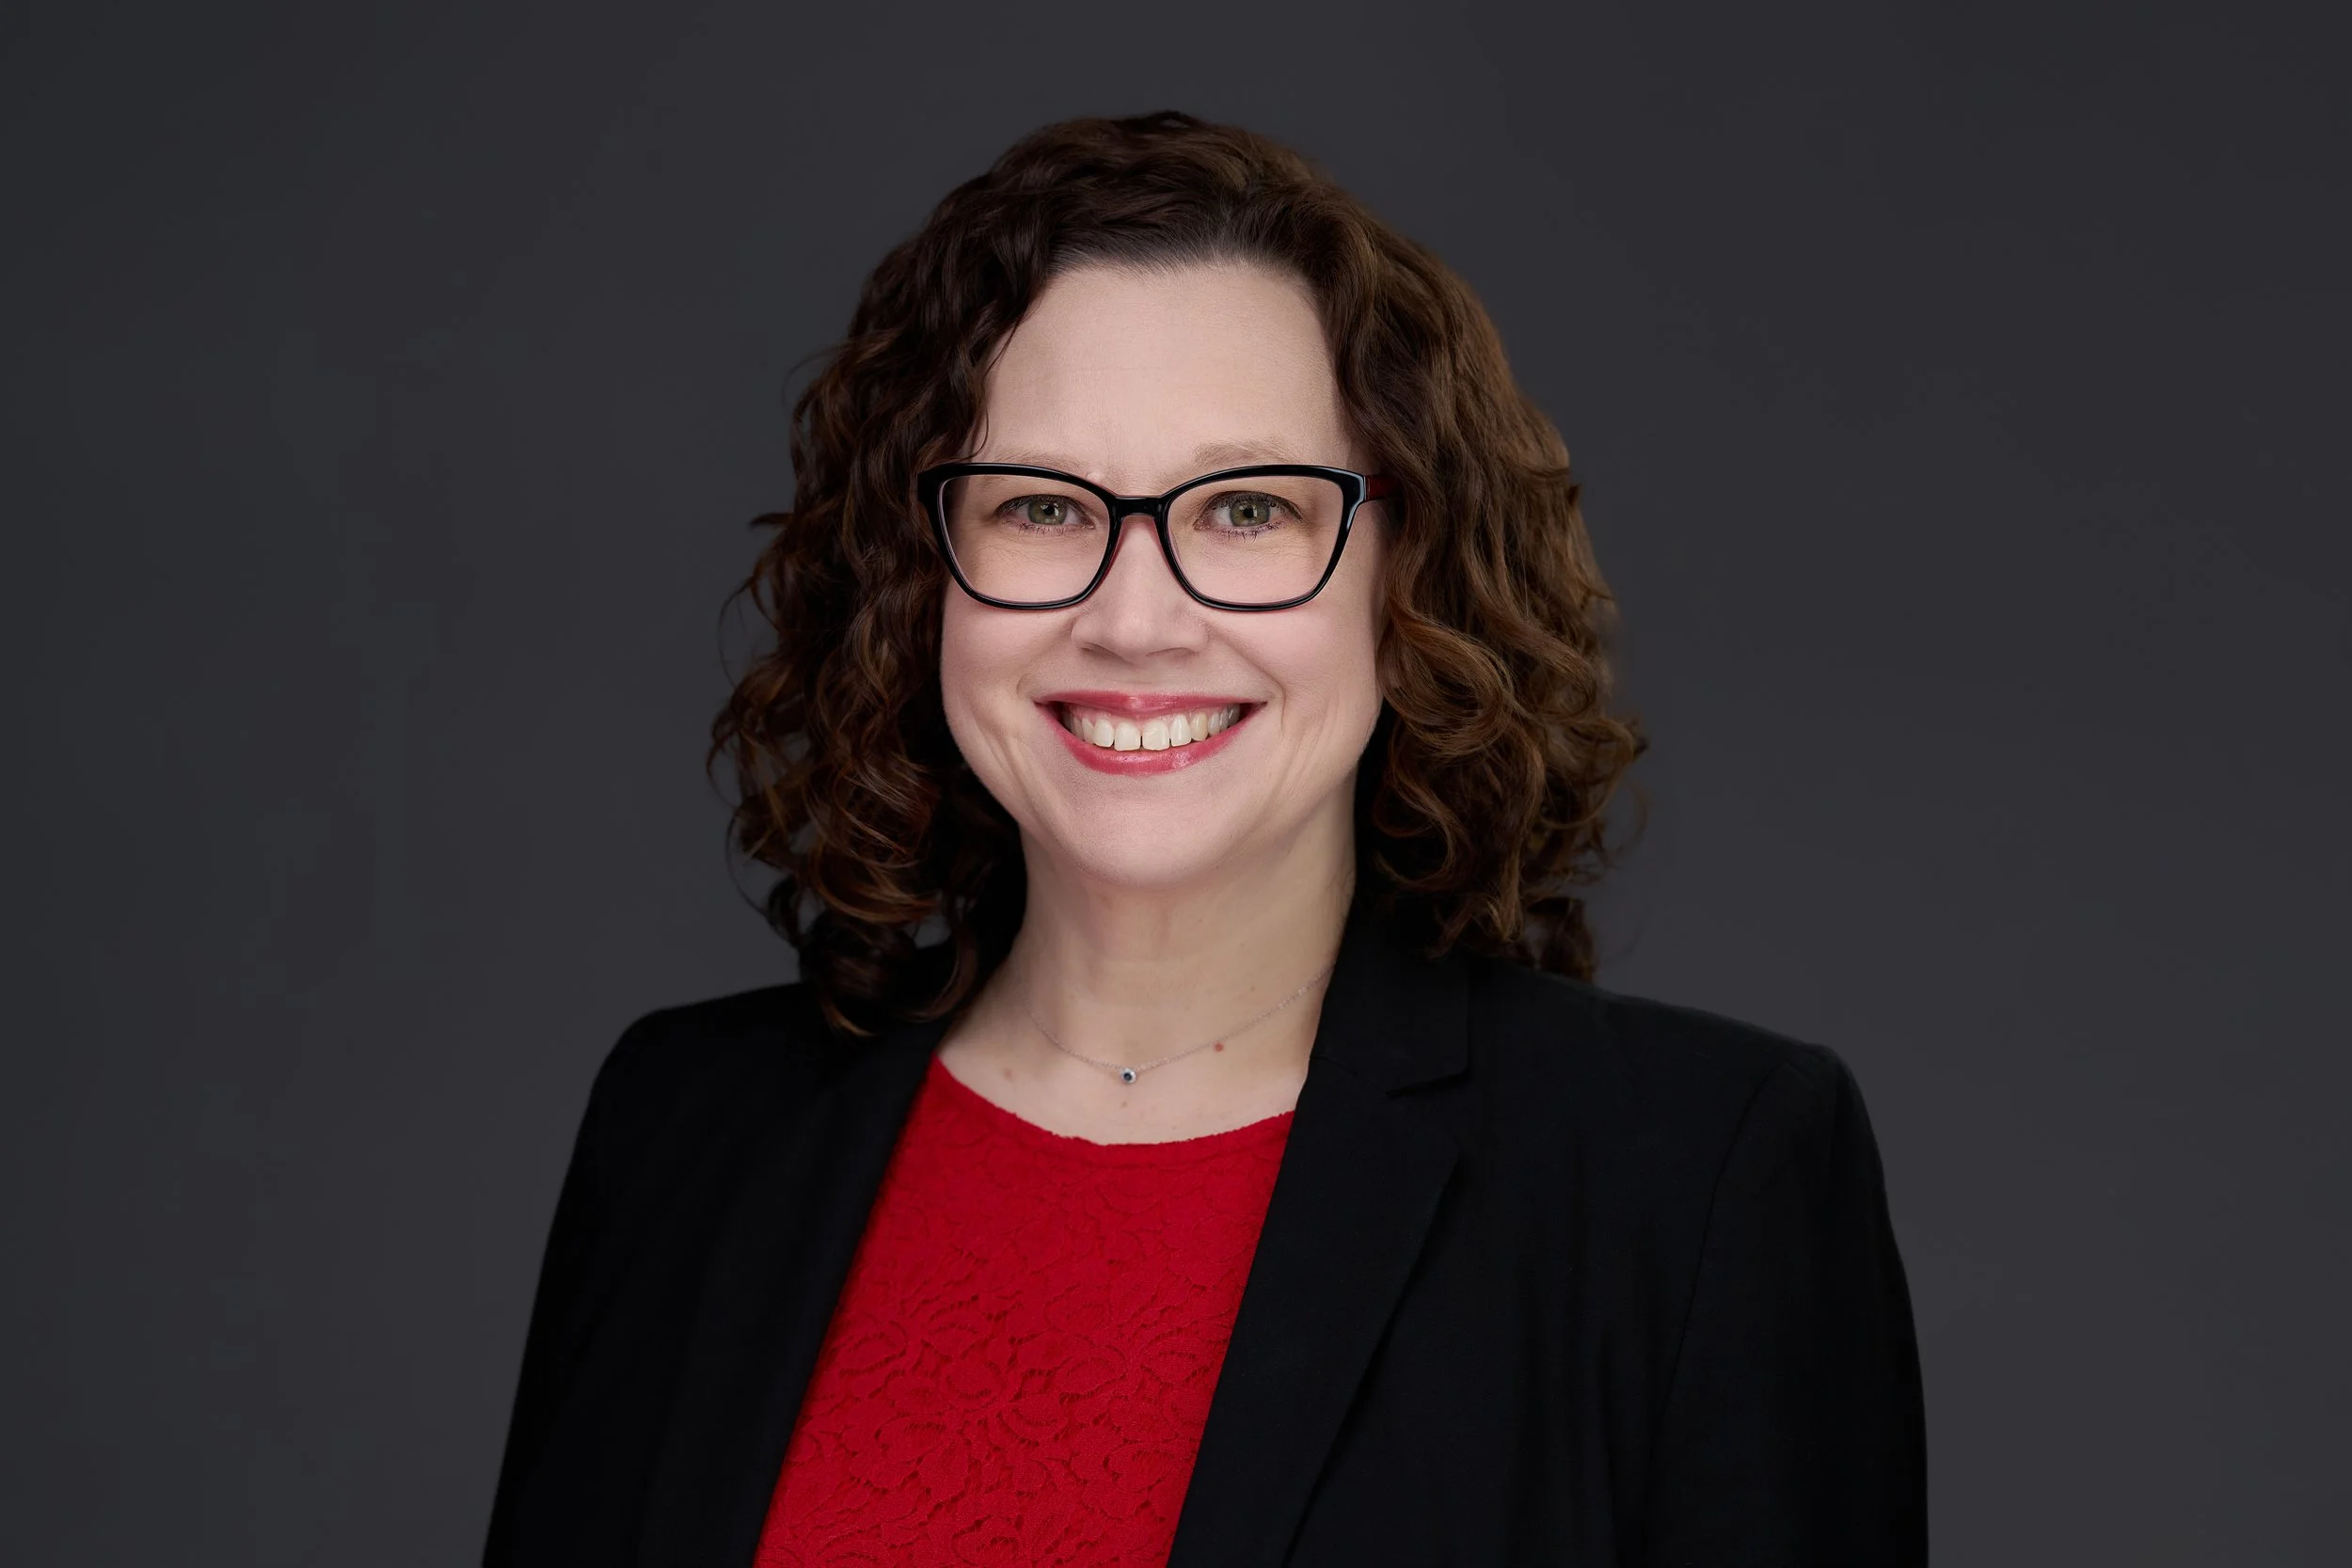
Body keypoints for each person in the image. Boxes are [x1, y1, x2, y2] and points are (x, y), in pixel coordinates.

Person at [481, 109, 1927, 1568]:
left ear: (1405, 573)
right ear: (921, 581)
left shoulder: (1695, 1187)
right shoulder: (684, 1128)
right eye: (1042, 506)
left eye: (1246, 509)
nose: (1135, 615)